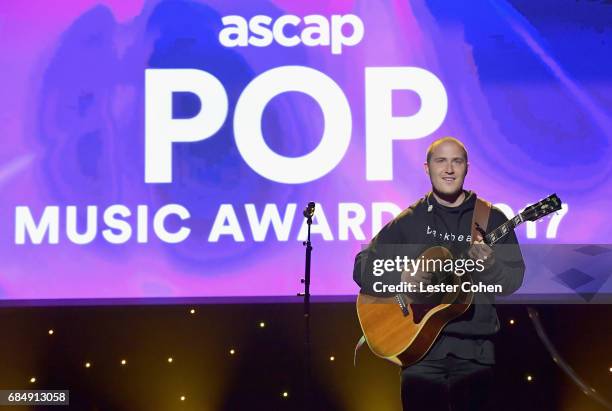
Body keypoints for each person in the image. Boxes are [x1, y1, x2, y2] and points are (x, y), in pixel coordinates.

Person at [353, 137, 525, 411]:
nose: (449, 169)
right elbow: (363, 266)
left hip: (475, 356)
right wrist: (401, 277)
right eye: (440, 161)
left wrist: (491, 265)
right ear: (426, 168)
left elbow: (513, 281)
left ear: (467, 167)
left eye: (456, 161)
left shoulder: (491, 218)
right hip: (419, 355)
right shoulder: (410, 220)